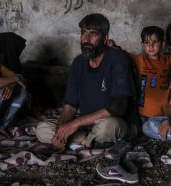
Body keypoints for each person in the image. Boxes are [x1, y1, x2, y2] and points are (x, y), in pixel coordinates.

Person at [51, 13, 138, 150]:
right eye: (83, 33)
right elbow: (70, 107)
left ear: (105, 38)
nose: (86, 39)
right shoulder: (78, 63)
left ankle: (82, 141)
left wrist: (75, 124)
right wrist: (59, 133)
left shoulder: (118, 60)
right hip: (88, 124)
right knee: (44, 128)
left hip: (118, 123)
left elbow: (117, 108)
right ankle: (89, 141)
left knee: (107, 127)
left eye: (93, 34)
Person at [108, 26, 171, 128]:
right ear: (142, 45)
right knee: (146, 130)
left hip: (163, 113)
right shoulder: (139, 60)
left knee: (160, 130)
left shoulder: (169, 60)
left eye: (154, 42)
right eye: (147, 43)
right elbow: (123, 54)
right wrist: (114, 46)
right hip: (143, 113)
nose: (151, 46)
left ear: (162, 43)